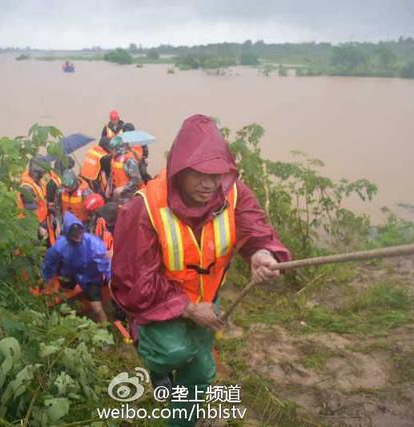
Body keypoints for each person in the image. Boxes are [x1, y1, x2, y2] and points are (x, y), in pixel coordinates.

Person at [111, 114, 291, 426]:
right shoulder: (144, 208)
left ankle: (181, 422)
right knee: (173, 352)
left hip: (210, 298)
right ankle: (156, 361)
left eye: (217, 174)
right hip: (159, 302)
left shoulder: (233, 193)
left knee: (201, 372)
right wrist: (189, 309)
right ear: (179, 169)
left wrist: (263, 253)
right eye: (199, 174)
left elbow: (256, 228)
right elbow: (134, 284)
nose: (209, 184)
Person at [42, 212, 112, 323]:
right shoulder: (60, 246)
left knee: (97, 308)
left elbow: (106, 265)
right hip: (69, 273)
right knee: (64, 292)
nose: (78, 236)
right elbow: (49, 263)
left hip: (90, 277)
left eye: (79, 232)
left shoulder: (94, 244)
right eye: (74, 235)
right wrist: (46, 280)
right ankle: (68, 310)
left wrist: (110, 280)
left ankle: (105, 329)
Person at [17, 155, 54, 244]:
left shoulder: (38, 182)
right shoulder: (27, 189)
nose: (45, 174)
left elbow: (40, 200)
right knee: (32, 249)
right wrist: (39, 228)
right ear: (37, 172)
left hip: (41, 220)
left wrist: (48, 204)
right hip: (30, 227)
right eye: (43, 172)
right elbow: (30, 214)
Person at [108, 136, 143, 202]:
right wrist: (108, 188)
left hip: (128, 196)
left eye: (112, 149)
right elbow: (112, 174)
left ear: (119, 149)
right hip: (117, 195)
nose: (110, 151)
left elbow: (136, 179)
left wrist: (123, 188)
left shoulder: (129, 160)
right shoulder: (114, 159)